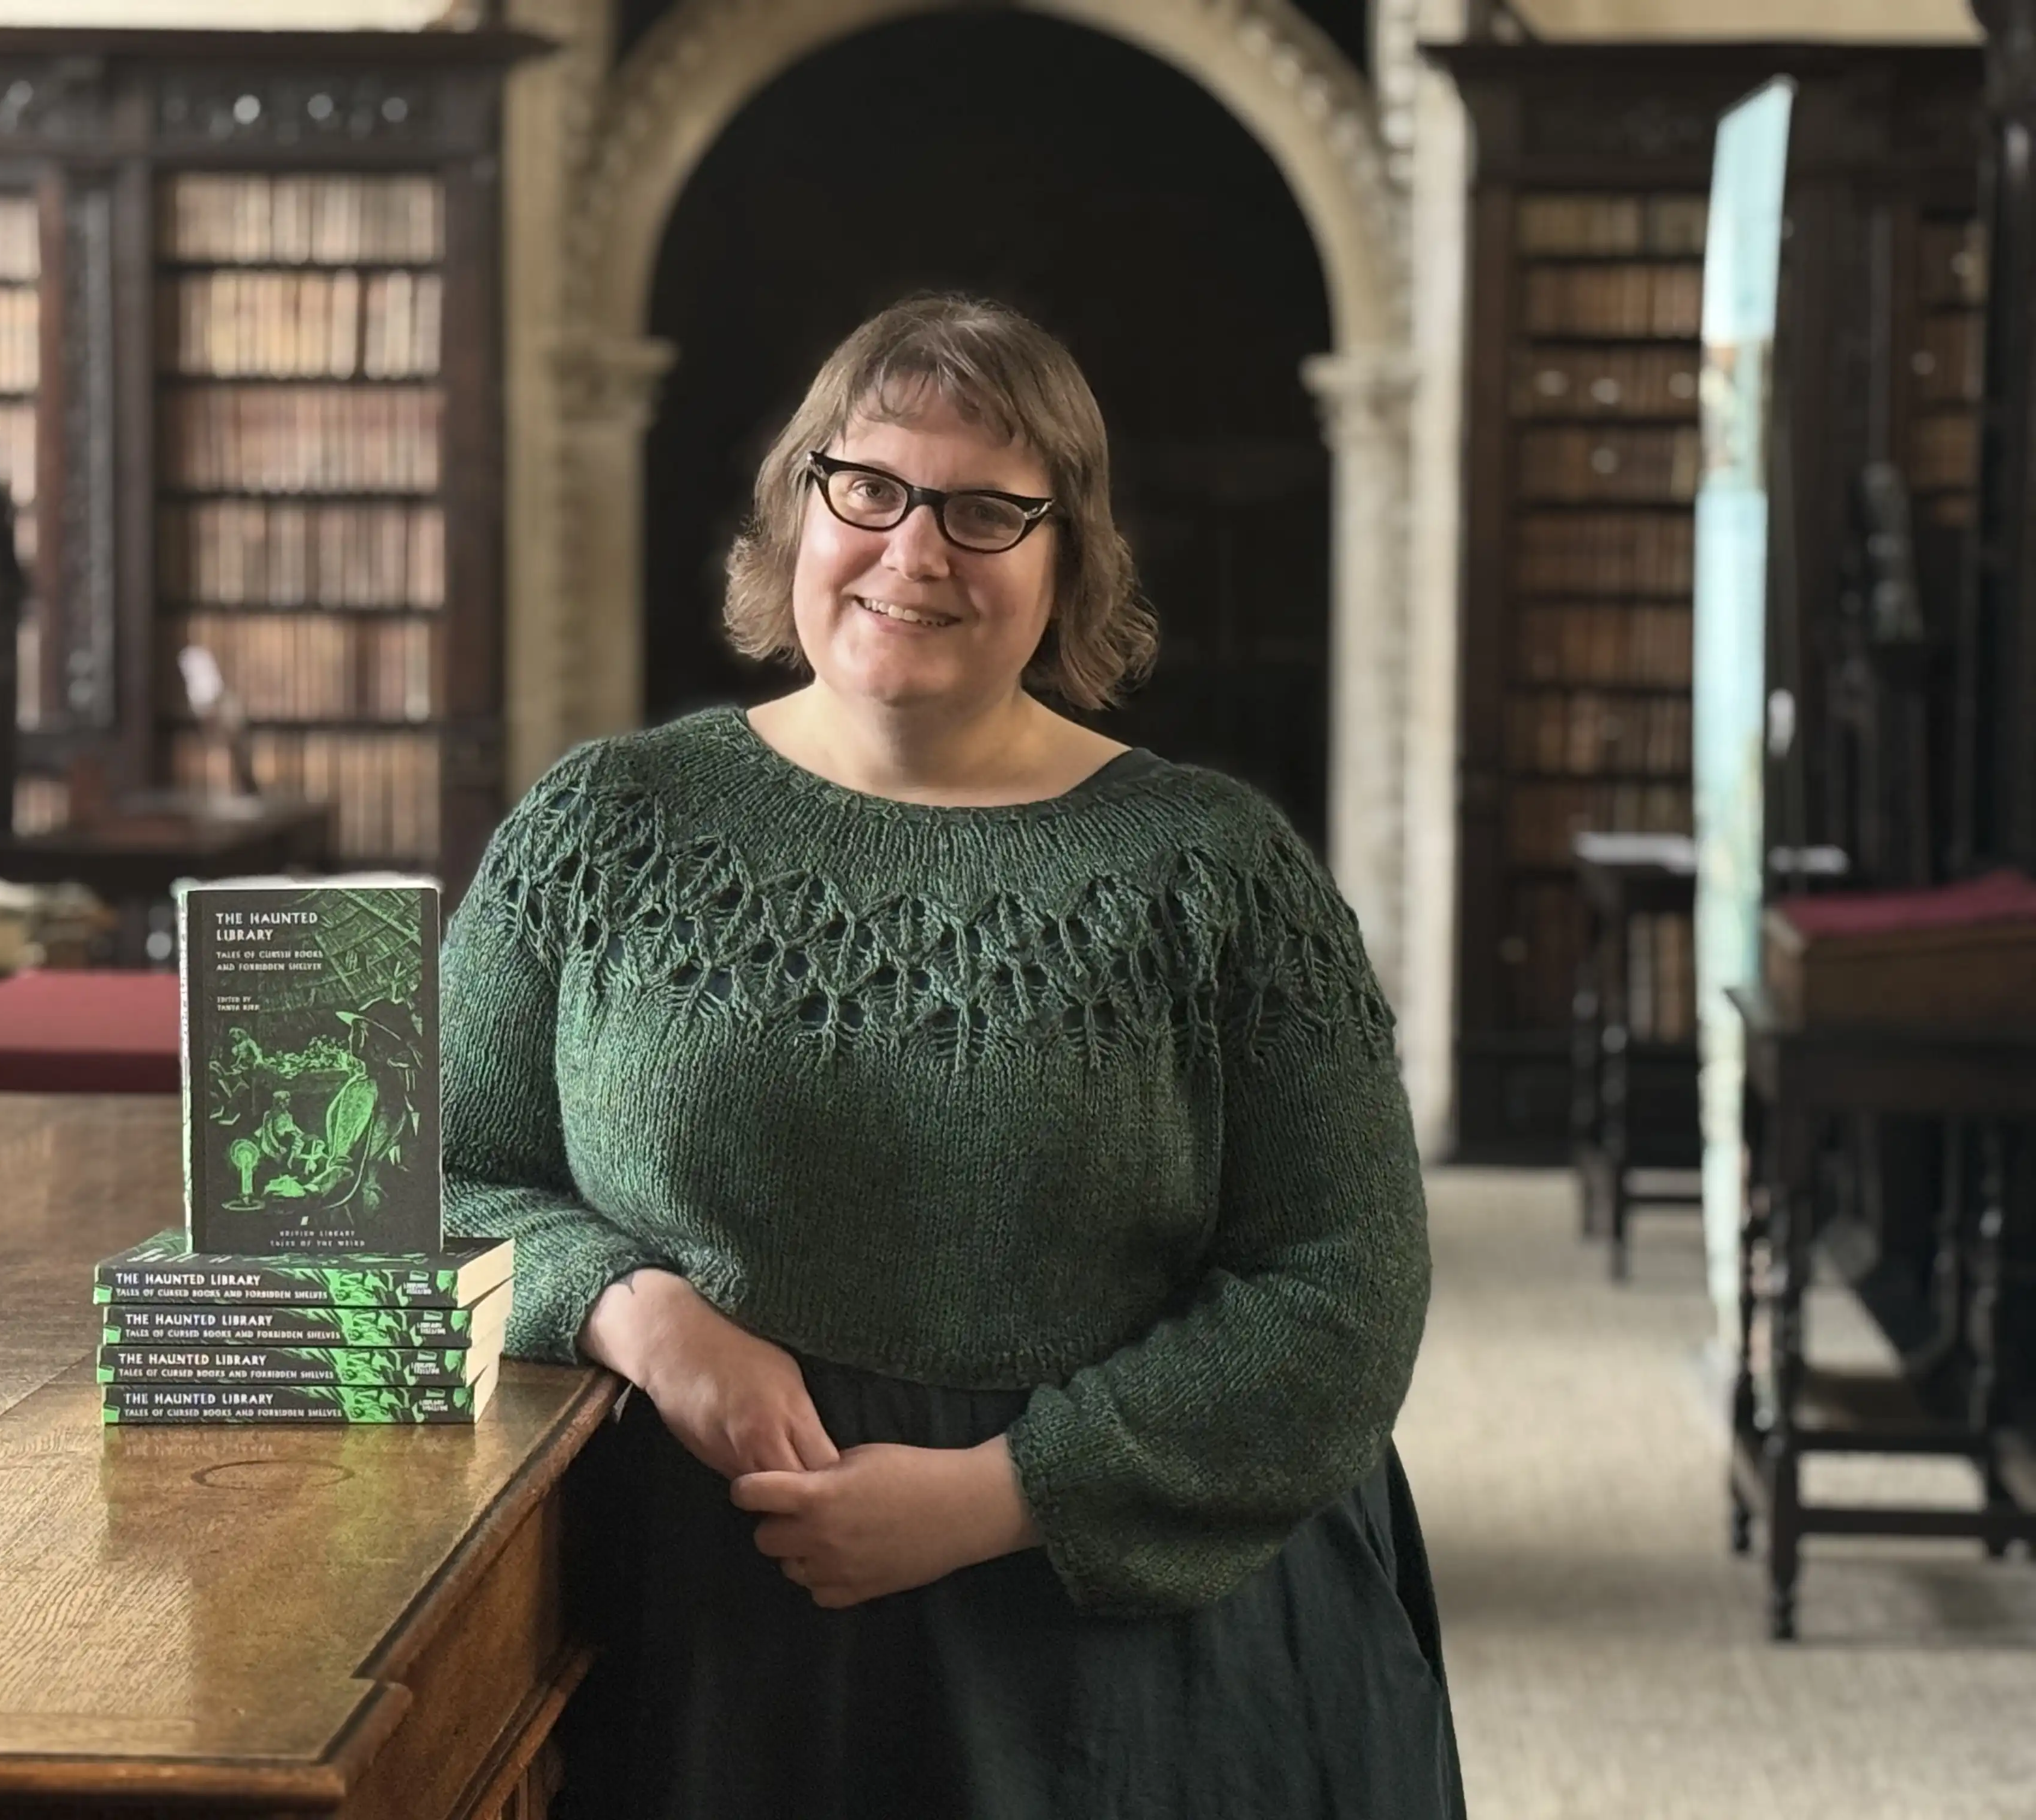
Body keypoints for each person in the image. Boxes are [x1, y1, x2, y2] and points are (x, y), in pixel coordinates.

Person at [442, 292, 1465, 1819]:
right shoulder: (604, 827)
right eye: (870, 489)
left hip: (1128, 1643)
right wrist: (638, 1315)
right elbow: (434, 1177)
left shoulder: (1219, 869)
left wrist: (1000, 1499)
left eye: (988, 513)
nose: (915, 554)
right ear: (800, 505)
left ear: (1070, 561)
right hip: (709, 1609)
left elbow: (1344, 1296)